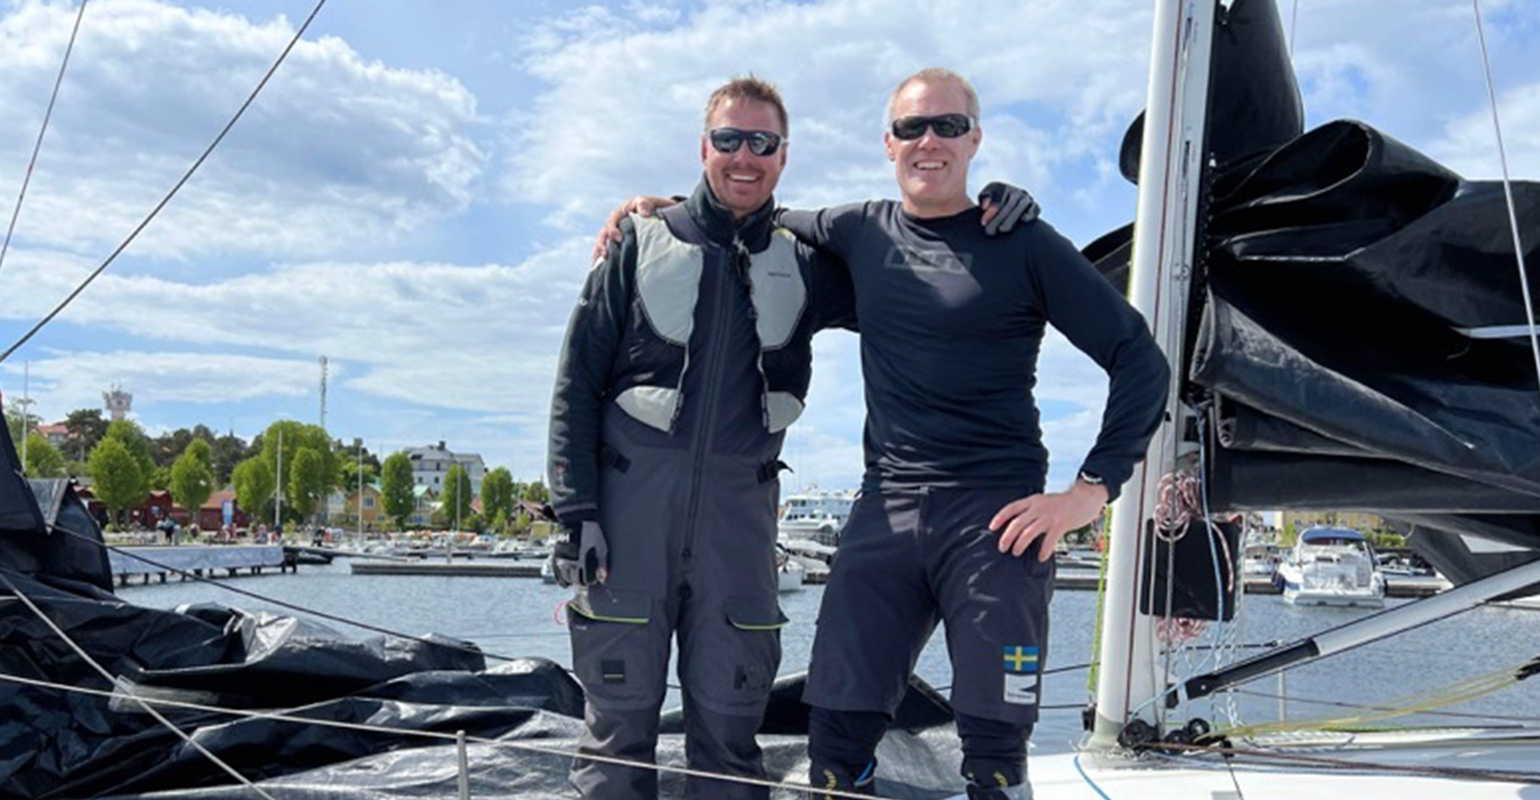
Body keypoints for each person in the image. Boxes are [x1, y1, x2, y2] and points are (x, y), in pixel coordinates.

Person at [595, 68, 1169, 800]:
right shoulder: (859, 229)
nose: (929, 141)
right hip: (886, 509)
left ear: (975, 140)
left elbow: (1139, 360)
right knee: (834, 749)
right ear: (889, 142)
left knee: (995, 758)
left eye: (948, 126)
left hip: (995, 517)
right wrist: (660, 207)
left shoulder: (1024, 243)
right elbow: (751, 211)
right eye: (911, 127)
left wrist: (1089, 493)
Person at [546, 75, 859, 800]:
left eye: (762, 142)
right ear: (703, 147)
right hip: (628, 521)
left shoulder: (806, 264)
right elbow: (575, 383)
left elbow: (910, 269)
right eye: (728, 139)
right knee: (618, 731)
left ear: (783, 155)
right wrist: (576, 512)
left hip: (739, 527)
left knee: (730, 725)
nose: (744, 156)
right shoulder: (638, 243)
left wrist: (983, 219)